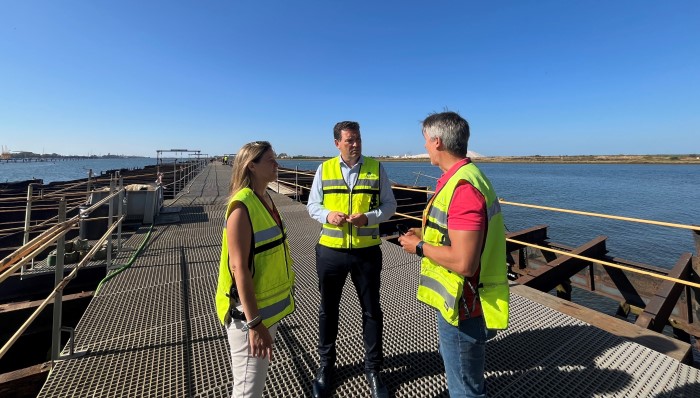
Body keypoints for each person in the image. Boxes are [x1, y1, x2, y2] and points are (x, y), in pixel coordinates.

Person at [398, 111, 509, 397]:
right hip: (464, 302)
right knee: (466, 379)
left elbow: (464, 261)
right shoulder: (466, 176)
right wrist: (425, 234)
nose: (423, 147)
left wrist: (419, 247)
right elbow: (460, 235)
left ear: (437, 142)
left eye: (425, 141)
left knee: (464, 389)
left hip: (464, 306)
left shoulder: (461, 188)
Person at [307, 121, 397, 398]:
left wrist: (368, 218)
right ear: (337, 143)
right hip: (331, 252)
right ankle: (326, 368)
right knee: (328, 311)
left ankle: (373, 370)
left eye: (358, 139)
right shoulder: (324, 169)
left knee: (372, 311)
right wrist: (327, 216)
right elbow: (313, 205)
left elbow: (390, 206)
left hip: (366, 252)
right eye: (349, 140)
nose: (355, 144)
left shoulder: (376, 168)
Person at [214, 141, 296, 398]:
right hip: (247, 316)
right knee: (247, 391)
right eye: (270, 160)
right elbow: (239, 269)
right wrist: (254, 324)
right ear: (252, 166)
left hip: (263, 312)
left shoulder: (265, 197)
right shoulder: (241, 207)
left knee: (253, 386)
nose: (277, 164)